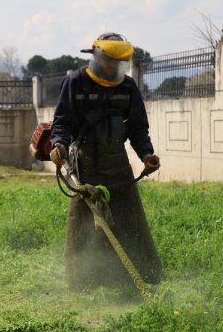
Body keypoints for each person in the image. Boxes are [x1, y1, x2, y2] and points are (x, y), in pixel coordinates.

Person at [49, 32, 162, 294]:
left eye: (117, 62)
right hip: (84, 162)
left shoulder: (128, 87)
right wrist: (59, 144)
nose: (112, 67)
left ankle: (136, 277)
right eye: (108, 61)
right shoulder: (76, 82)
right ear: (96, 55)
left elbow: (137, 128)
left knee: (128, 219)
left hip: (117, 162)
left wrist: (147, 155)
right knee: (84, 221)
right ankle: (83, 283)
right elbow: (63, 120)